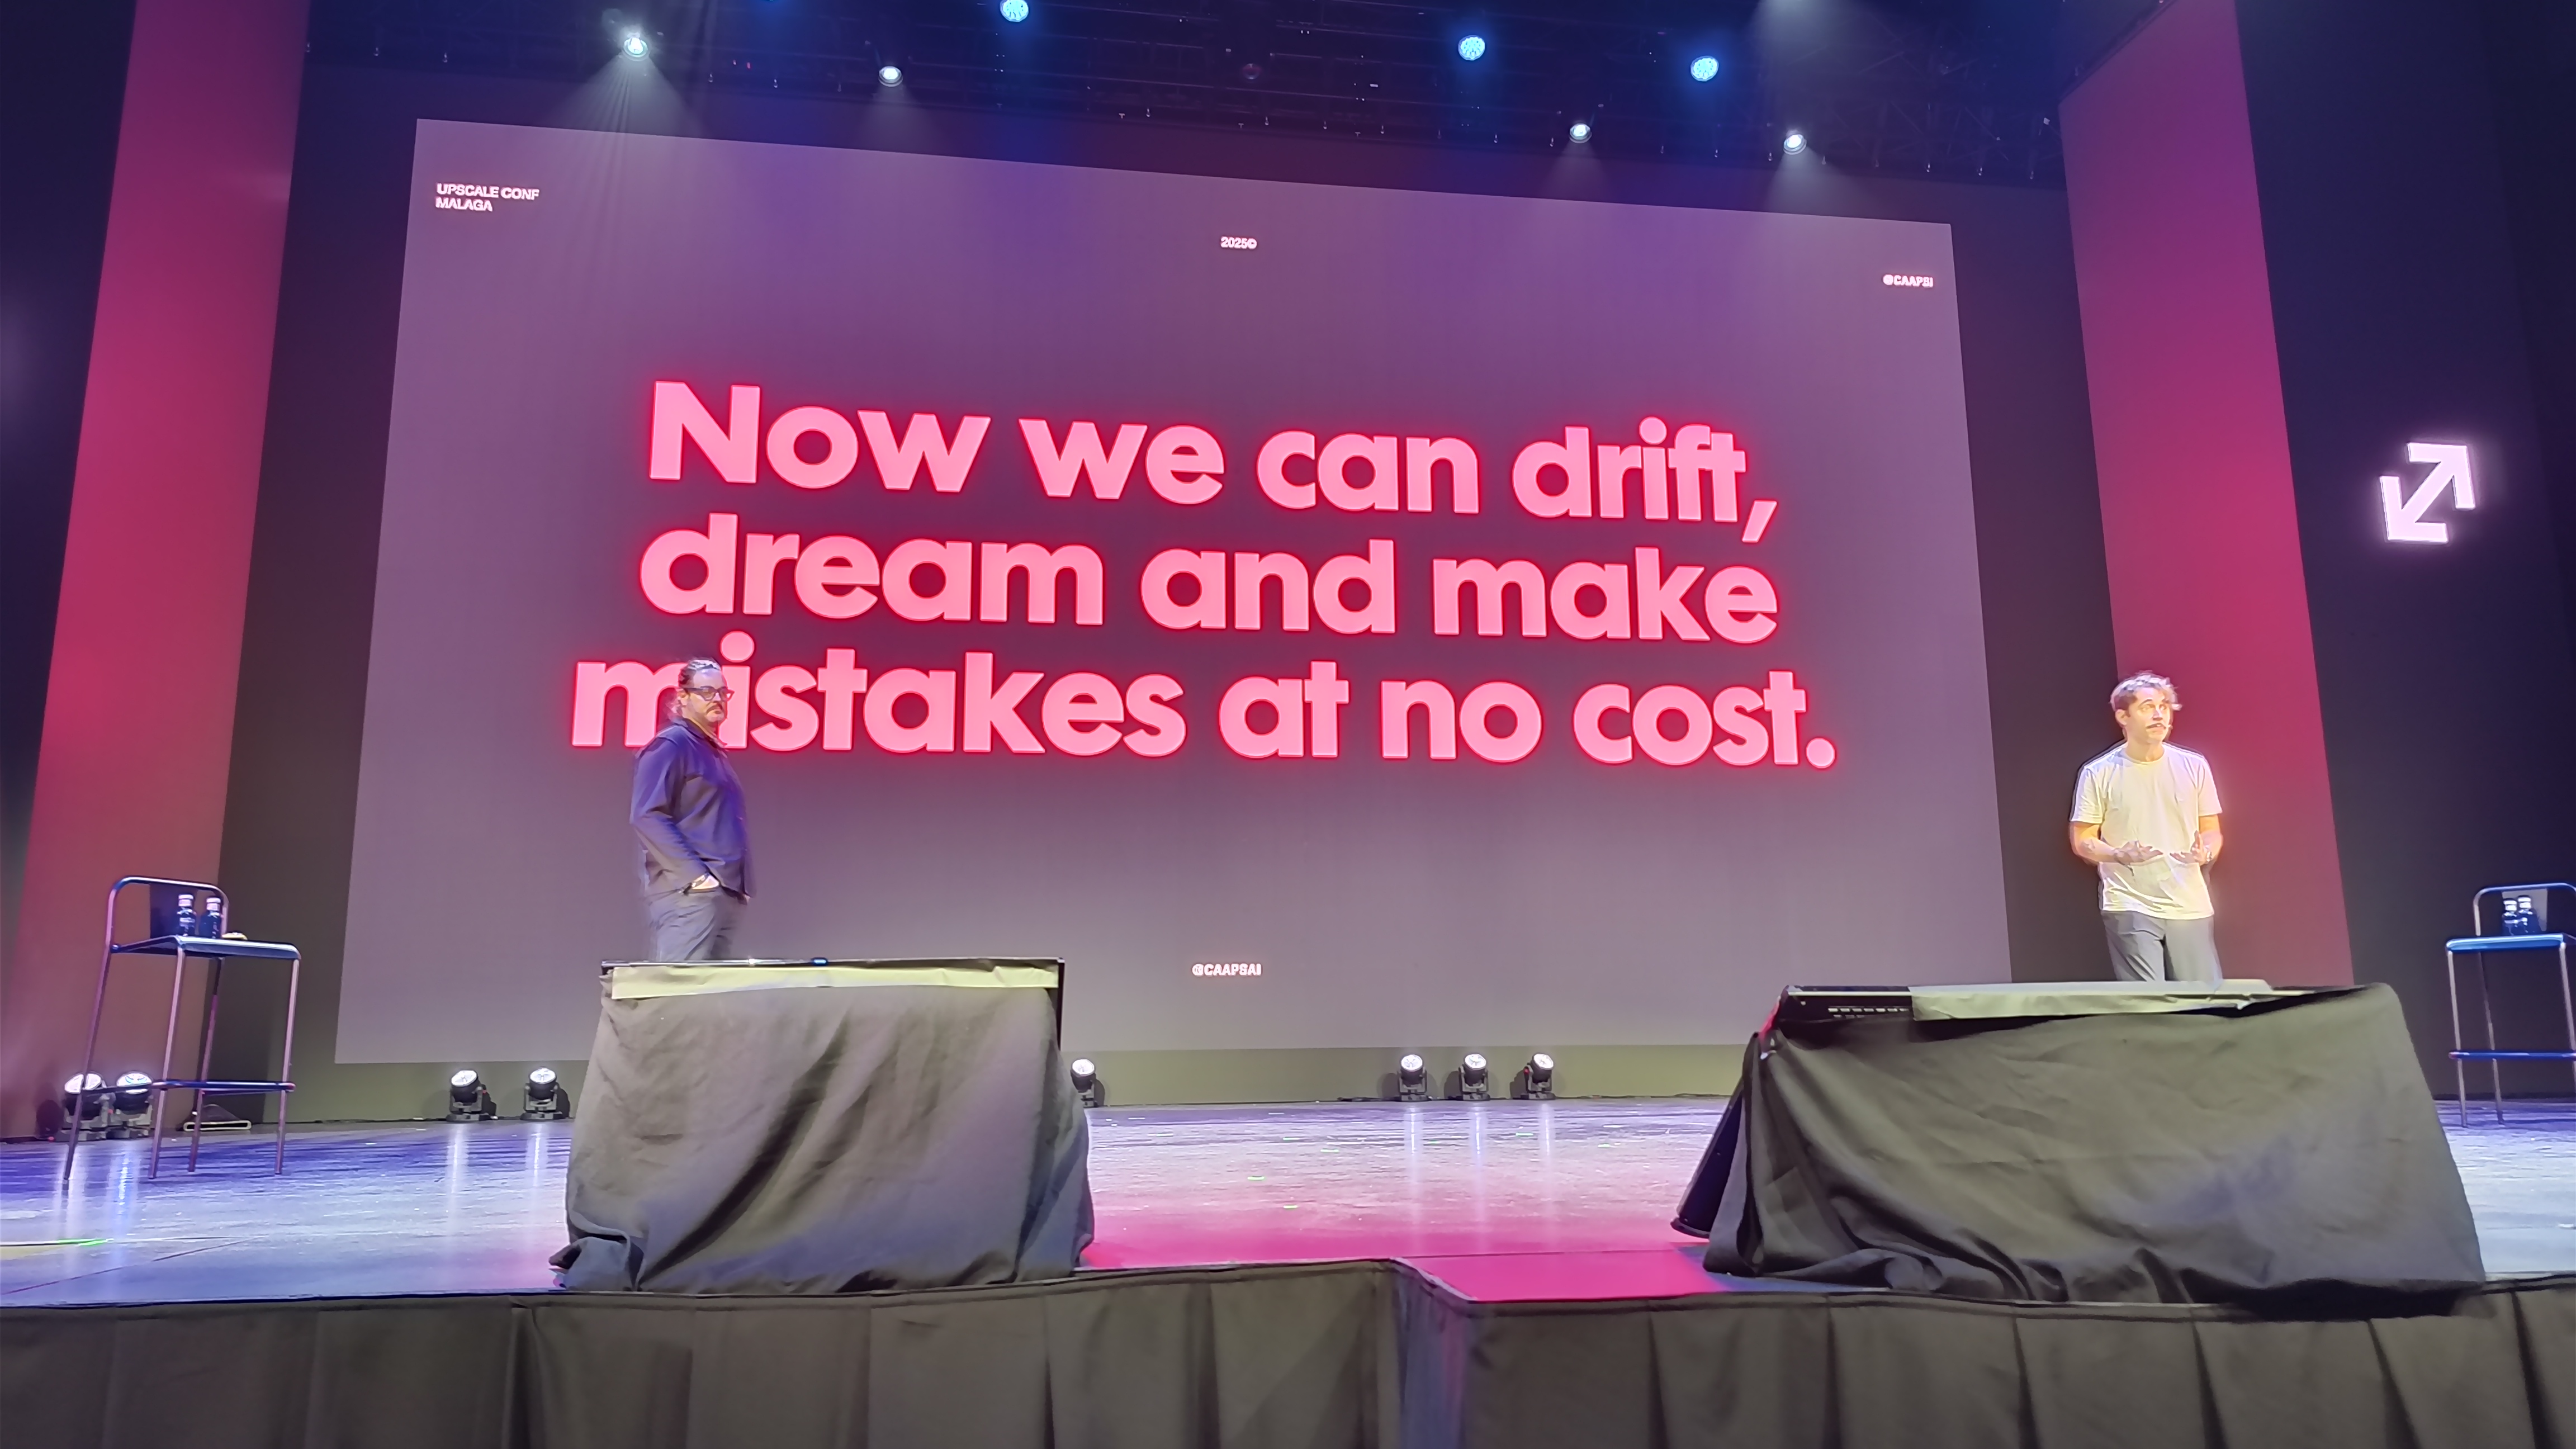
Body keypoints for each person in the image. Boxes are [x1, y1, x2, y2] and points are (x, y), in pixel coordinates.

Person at [2068, 672, 2224, 982]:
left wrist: (2205, 851)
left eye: (2164, 707)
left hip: (2188, 902)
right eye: (2147, 707)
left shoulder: (2194, 766)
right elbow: (2082, 838)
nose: (2159, 715)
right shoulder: (2099, 772)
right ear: (2123, 717)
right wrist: (2117, 854)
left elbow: (2212, 830)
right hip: (2129, 901)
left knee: (2206, 1000)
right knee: (2149, 1003)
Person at [632, 658, 752, 961]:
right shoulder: (672, 745)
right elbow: (647, 815)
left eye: (724, 693)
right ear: (683, 697)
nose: (718, 700)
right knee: (680, 997)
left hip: (722, 894)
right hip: (690, 896)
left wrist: (736, 886)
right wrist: (696, 878)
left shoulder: (711, 750)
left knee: (710, 1000)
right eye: (707, 692)